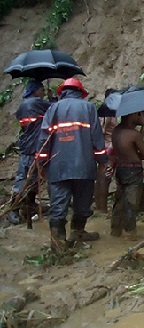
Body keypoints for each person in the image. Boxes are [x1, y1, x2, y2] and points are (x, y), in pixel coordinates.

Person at [37, 78, 107, 251]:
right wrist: (103, 161)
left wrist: (41, 163)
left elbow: (44, 139)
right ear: (80, 92)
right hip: (84, 165)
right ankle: (78, 231)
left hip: (58, 166)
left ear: (62, 92)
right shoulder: (88, 108)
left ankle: (58, 241)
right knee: (82, 202)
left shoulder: (52, 109)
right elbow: (96, 137)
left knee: (58, 203)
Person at [6, 80, 52, 225]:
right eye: (42, 90)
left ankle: (28, 206)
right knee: (24, 179)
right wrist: (53, 99)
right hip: (32, 147)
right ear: (36, 90)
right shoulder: (35, 103)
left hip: (30, 145)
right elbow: (56, 108)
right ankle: (13, 209)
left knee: (33, 179)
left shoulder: (24, 104)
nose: (43, 92)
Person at [110, 111, 144, 238]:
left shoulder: (116, 131)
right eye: (141, 114)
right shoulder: (134, 134)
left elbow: (126, 149)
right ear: (132, 115)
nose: (143, 117)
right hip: (133, 170)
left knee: (120, 200)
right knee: (131, 202)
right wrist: (140, 137)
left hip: (121, 169)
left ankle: (115, 230)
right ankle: (130, 232)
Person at [94, 88, 119, 212]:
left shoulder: (103, 109)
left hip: (104, 147)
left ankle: (99, 207)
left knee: (101, 178)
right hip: (110, 147)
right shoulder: (108, 110)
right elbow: (102, 129)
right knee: (105, 179)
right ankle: (102, 209)